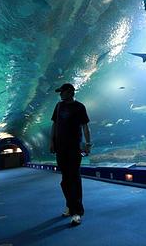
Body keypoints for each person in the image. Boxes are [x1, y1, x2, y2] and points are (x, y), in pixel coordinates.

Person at [49, 83, 92, 226]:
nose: (60, 94)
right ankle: (70, 204)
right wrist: (52, 141)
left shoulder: (80, 107)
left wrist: (88, 143)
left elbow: (85, 126)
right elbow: (54, 124)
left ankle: (76, 212)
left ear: (70, 91)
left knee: (74, 178)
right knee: (65, 179)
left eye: (62, 91)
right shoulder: (58, 106)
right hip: (60, 148)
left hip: (74, 147)